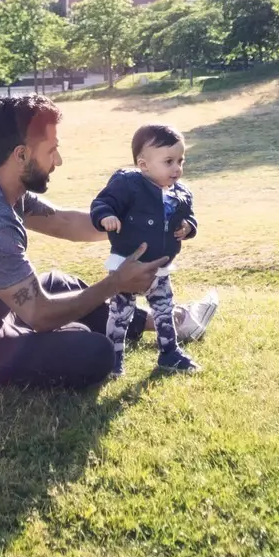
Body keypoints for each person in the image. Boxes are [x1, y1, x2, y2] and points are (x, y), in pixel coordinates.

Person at [0, 95, 169, 388]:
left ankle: (164, 322)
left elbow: (62, 221)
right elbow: (39, 314)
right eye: (51, 151)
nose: (58, 161)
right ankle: (110, 329)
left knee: (62, 284)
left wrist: (136, 227)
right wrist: (115, 283)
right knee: (94, 352)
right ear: (22, 155)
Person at [92, 123, 199, 374]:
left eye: (180, 161)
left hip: (159, 267)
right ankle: (113, 357)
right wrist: (105, 216)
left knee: (164, 312)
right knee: (120, 314)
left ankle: (169, 352)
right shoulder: (128, 184)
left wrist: (188, 227)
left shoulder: (181, 193)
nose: (177, 168)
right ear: (143, 165)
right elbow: (103, 202)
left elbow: (189, 217)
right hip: (127, 266)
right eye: (169, 161)